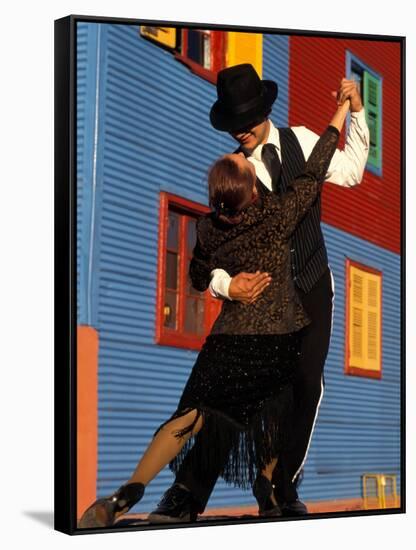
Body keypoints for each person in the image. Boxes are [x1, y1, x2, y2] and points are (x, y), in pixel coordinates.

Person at [77, 98, 350, 529]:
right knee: (280, 405)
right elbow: (315, 170)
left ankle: (129, 489)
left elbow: (197, 274)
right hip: (275, 340)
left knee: (192, 415)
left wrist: (224, 284)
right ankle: (259, 490)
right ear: (254, 190)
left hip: (225, 343)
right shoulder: (277, 217)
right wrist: (339, 114)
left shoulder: (208, 228)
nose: (238, 148)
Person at [148, 64, 370, 523]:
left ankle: (278, 486)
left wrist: (357, 114)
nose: (242, 130)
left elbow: (350, 173)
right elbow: (208, 259)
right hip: (259, 301)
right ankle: (186, 494)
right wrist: (228, 285)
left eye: (248, 118)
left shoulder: (304, 141)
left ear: (265, 110)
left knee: (307, 384)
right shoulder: (232, 175)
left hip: (310, 286)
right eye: (233, 122)